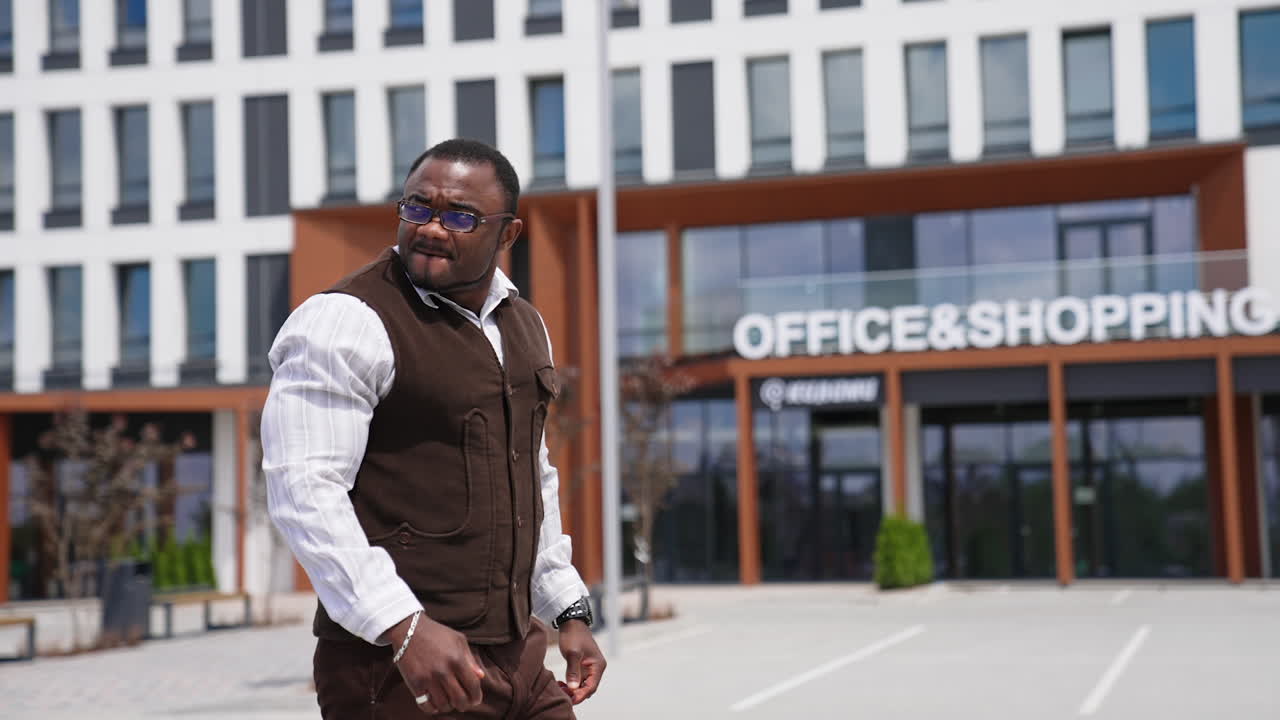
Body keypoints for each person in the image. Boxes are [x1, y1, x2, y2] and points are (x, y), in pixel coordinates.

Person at [261, 138, 606, 718]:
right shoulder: (346, 321)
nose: (432, 228)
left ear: (508, 234)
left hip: (518, 657)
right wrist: (403, 625)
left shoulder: (524, 323)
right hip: (401, 667)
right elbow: (303, 489)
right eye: (418, 207)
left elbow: (531, 476)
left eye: (460, 216)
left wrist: (567, 610)